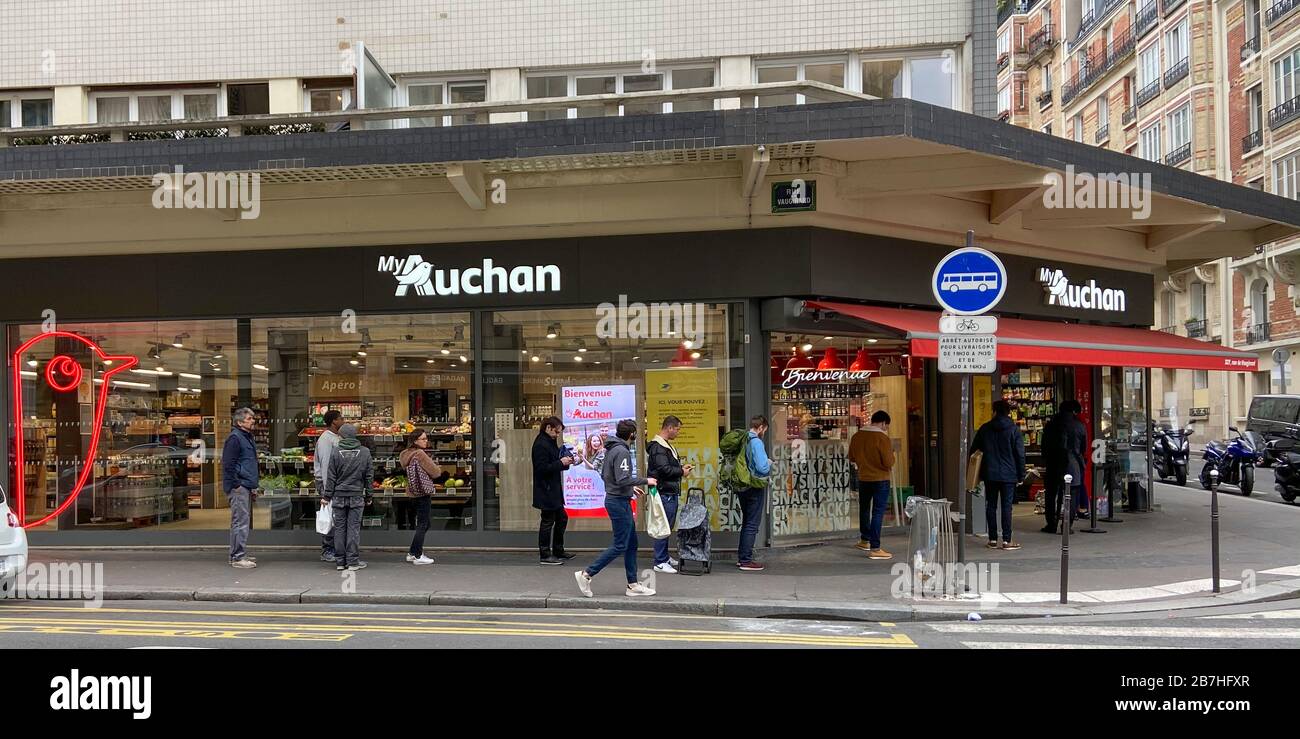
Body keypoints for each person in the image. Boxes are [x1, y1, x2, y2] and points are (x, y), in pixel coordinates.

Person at [574, 419, 658, 597]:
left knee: (632, 543)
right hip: (618, 502)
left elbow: (608, 475)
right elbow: (622, 479)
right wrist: (645, 481)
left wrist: (629, 488)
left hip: (618, 499)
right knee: (620, 544)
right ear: (632, 434)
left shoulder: (611, 449)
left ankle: (633, 585)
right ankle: (587, 574)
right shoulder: (621, 451)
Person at [971, 400, 1026, 550]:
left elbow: (973, 450)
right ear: (1009, 412)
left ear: (994, 411)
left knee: (991, 505)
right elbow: (1020, 454)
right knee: (1007, 507)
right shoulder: (1014, 430)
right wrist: (1021, 475)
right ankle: (1007, 540)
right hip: (1009, 474)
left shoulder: (985, 429)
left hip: (990, 473)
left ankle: (993, 539)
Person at [647, 415, 693, 574]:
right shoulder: (659, 447)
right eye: (677, 429)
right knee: (663, 525)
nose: (678, 433)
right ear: (669, 428)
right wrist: (682, 471)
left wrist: (681, 468)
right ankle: (659, 561)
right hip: (664, 491)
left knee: (666, 524)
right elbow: (664, 470)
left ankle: (664, 557)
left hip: (666, 491)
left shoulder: (662, 445)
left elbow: (665, 467)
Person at [325, 423, 374, 571]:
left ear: (342, 436)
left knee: (339, 528)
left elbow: (331, 477)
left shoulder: (335, 452)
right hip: (356, 495)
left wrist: (327, 496)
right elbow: (369, 475)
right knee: (353, 528)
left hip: (339, 495)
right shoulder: (365, 452)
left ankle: (340, 561)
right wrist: (369, 495)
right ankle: (352, 561)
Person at [848, 410, 896, 560]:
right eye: (886, 426)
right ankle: (875, 548)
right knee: (878, 512)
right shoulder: (882, 438)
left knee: (864, 509)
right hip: (880, 479)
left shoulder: (857, 436)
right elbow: (888, 462)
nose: (885, 429)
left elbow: (851, 457)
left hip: (863, 478)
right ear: (882, 423)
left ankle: (865, 540)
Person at [533, 416, 575, 565]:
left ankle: (558, 550)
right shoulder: (541, 444)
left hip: (552, 489)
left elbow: (554, 462)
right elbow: (542, 469)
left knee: (562, 518)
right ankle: (545, 554)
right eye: (556, 432)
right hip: (546, 489)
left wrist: (566, 462)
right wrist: (560, 463)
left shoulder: (549, 442)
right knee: (547, 521)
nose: (558, 435)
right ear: (548, 428)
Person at [222, 407, 260, 569]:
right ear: (239, 422)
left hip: (246, 484)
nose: (253, 421)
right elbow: (228, 464)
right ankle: (238, 557)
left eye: (252, 418)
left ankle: (237, 553)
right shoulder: (235, 438)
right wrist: (236, 484)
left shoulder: (246, 437)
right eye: (249, 419)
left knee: (241, 521)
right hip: (240, 486)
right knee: (240, 522)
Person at [1042, 399, 1088, 534]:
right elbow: (1083, 448)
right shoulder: (1079, 425)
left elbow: (1044, 446)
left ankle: (1051, 524)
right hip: (1073, 465)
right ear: (1074, 411)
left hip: (1053, 464)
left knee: (1051, 495)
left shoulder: (1051, 425)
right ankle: (1067, 525)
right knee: (1072, 495)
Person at [735, 415, 772, 572]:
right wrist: (768, 463)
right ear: (761, 427)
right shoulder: (756, 442)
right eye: (765, 430)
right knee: (752, 524)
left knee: (747, 521)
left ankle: (742, 557)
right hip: (754, 485)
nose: (764, 432)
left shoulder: (743, 439)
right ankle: (745, 560)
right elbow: (762, 468)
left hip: (742, 485)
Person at [401, 428, 443, 565]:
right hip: (423, 492)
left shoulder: (404, 454)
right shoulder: (420, 453)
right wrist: (437, 467)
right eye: (423, 439)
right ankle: (418, 555)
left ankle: (412, 552)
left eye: (426, 438)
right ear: (415, 441)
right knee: (423, 524)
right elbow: (436, 472)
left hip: (412, 492)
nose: (426, 441)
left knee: (424, 523)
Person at [312, 410, 345, 563]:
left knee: (335, 517)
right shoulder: (326, 439)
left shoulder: (335, 437)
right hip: (328, 484)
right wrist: (327, 490)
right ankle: (327, 550)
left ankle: (333, 548)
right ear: (334, 422)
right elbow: (325, 465)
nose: (343, 420)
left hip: (334, 484)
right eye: (341, 418)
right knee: (330, 517)